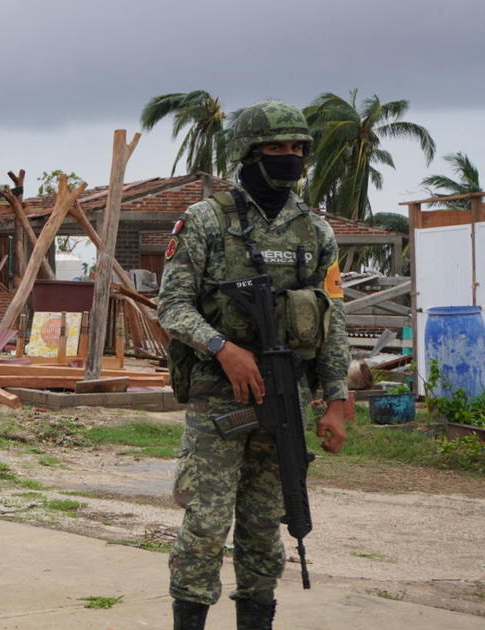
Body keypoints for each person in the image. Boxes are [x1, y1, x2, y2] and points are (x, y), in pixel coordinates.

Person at [156, 101, 351, 629]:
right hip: (219, 397)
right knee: (205, 523)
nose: (288, 158)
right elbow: (171, 307)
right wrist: (225, 348)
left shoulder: (315, 231)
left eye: (297, 149)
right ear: (249, 153)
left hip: (282, 395)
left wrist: (335, 400)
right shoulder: (205, 220)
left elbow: (331, 322)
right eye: (276, 148)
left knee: (266, 526)